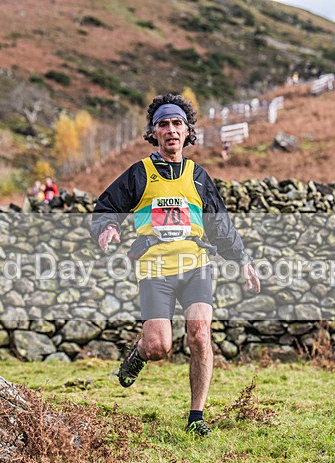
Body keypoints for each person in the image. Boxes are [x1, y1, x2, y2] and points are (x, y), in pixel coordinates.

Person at [90, 93, 260, 437]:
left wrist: (242, 259)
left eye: (177, 123)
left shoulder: (199, 177)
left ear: (187, 131)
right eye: (163, 124)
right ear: (154, 133)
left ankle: (196, 416)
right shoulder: (139, 174)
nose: (170, 130)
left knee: (199, 335)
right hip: (154, 268)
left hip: (195, 264)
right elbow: (107, 205)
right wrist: (107, 227)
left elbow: (219, 224)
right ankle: (138, 354)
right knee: (159, 346)